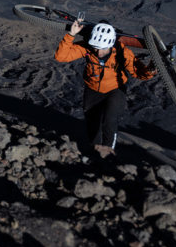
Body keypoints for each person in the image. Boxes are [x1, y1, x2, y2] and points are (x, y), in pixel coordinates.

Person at [54, 18, 156, 157]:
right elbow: (61, 56)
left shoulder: (121, 51)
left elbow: (140, 73)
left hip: (115, 90)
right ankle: (95, 151)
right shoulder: (88, 47)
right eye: (96, 48)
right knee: (92, 123)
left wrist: (153, 67)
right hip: (92, 89)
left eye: (102, 49)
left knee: (109, 121)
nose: (98, 52)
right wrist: (71, 35)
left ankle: (108, 153)